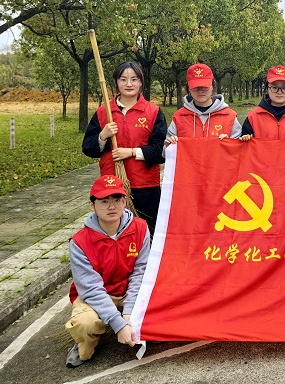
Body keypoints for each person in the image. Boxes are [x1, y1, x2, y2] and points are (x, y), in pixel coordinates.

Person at [65, 175, 150, 368]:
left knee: (164, 306)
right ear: (92, 205)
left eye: (117, 199)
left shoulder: (140, 228)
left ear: (125, 202)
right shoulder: (79, 242)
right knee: (85, 324)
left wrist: (129, 312)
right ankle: (84, 343)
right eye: (104, 201)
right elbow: (91, 289)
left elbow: (141, 272)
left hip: (129, 289)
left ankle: (140, 326)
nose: (112, 206)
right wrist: (118, 324)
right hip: (99, 294)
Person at [82, 61, 166, 237]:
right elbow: (88, 148)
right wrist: (102, 136)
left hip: (145, 186)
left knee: (148, 233)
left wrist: (132, 152)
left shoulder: (153, 112)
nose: (129, 84)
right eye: (123, 79)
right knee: (115, 234)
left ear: (141, 82)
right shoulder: (103, 113)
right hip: (111, 186)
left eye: (134, 79)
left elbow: (161, 151)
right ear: (116, 82)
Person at [165, 63, 242, 145]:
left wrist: (230, 143)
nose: (200, 90)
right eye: (195, 87)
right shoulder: (179, 117)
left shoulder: (229, 116)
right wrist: (169, 145)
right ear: (189, 89)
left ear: (213, 86)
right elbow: (166, 149)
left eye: (205, 86)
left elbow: (240, 149)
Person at [240, 65, 285, 143]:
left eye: (284, 88)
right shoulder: (253, 116)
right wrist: (245, 138)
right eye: (274, 87)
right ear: (267, 89)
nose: (279, 92)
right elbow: (244, 147)